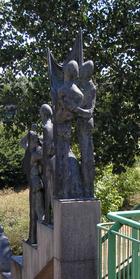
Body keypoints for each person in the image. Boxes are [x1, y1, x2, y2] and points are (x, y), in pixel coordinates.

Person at [54, 60, 84, 199]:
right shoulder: (79, 94)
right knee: (64, 158)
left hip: (61, 127)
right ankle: (66, 189)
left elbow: (58, 114)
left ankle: (64, 190)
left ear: (67, 73)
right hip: (67, 127)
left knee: (62, 160)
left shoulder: (60, 91)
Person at [19, 125, 44, 244]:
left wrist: (32, 132)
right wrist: (31, 132)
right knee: (36, 212)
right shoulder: (33, 152)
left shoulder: (33, 152)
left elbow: (22, 142)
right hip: (34, 184)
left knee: (37, 212)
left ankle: (37, 238)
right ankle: (35, 238)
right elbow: (21, 142)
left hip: (35, 183)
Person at [76, 60, 96, 198]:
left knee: (87, 159)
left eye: (82, 69)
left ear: (87, 72)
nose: (79, 71)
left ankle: (89, 190)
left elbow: (89, 111)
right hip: (80, 124)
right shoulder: (81, 87)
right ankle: (84, 189)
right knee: (84, 158)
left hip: (86, 124)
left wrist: (75, 109)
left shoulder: (91, 88)